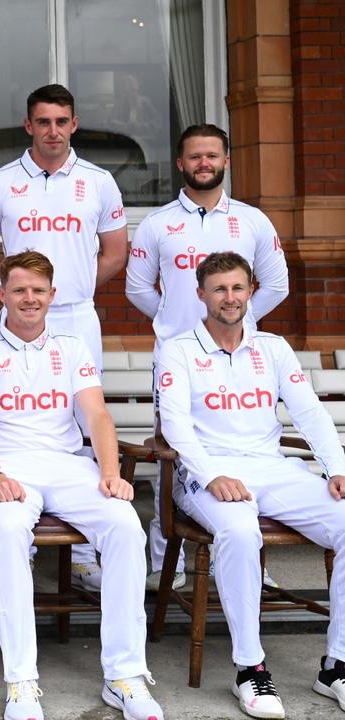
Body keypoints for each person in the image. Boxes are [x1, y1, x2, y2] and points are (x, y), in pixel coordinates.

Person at [0, 251, 165, 720]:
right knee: (9, 533)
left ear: (52, 295)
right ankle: (22, 681)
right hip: (7, 467)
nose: (29, 298)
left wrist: (110, 473)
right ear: (1, 294)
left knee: (125, 525)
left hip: (67, 465)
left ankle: (125, 675)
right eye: (19, 289)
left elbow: (97, 415)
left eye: (38, 290)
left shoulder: (71, 347)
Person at [157, 251, 345, 719]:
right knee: (241, 532)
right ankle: (250, 668)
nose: (229, 297)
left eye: (238, 288)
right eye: (219, 288)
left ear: (251, 292)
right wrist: (211, 475)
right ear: (201, 294)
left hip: (272, 467)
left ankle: (336, 664)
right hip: (205, 473)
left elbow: (310, 414)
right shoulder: (178, 350)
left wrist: (337, 467)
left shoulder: (274, 347)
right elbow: (175, 426)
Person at [0, 83, 128, 590]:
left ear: (74, 124)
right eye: (43, 122)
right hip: (20, 312)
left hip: (75, 313)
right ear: (29, 126)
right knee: (18, 417)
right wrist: (23, 293)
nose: (53, 131)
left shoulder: (99, 181)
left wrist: (71, 291)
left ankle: (82, 552)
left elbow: (114, 252)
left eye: (61, 121)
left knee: (81, 427)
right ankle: (21, 539)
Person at [125, 124, 290, 591]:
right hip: (177, 359)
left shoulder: (253, 221)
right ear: (181, 163)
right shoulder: (157, 223)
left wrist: (236, 317)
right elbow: (138, 286)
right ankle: (167, 560)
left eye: (211, 156)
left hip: (238, 356)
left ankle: (240, 553)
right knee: (170, 452)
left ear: (226, 161)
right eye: (194, 156)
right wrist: (176, 323)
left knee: (246, 446)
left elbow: (276, 283)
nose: (203, 163)